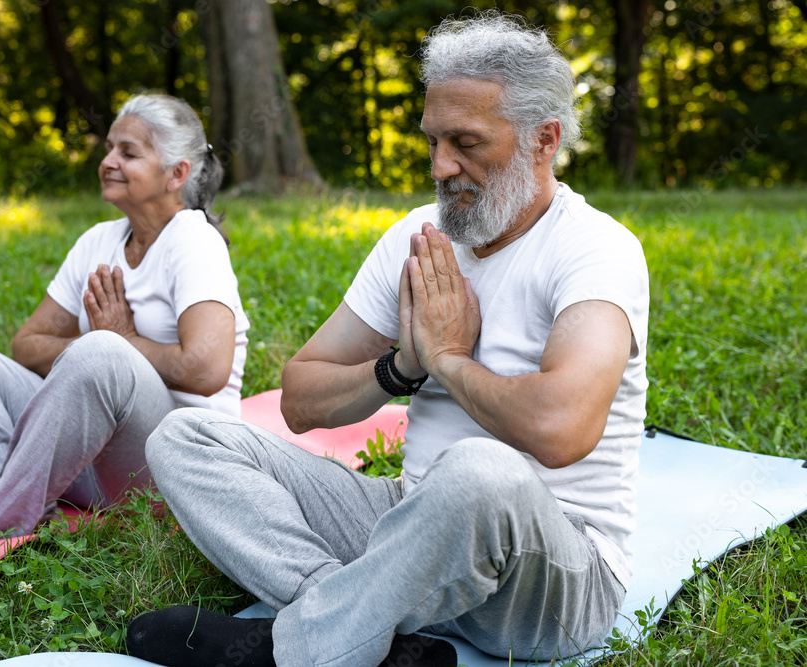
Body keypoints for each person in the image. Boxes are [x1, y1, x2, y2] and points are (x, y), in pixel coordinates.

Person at [126, 11, 648, 667]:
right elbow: (299, 397)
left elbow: (562, 427)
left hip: (552, 576)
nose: (442, 165)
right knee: (185, 437)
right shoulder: (416, 236)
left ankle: (294, 650)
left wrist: (448, 360)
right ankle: (366, 632)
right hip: (408, 522)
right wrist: (401, 366)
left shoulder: (597, 250)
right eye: (433, 140)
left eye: (467, 142)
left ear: (544, 140)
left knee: (479, 471)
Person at [0, 93, 249, 551]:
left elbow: (206, 370)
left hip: (170, 472)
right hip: (85, 466)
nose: (108, 162)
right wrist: (96, 349)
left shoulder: (194, 240)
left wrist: (120, 341)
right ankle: (23, 507)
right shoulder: (98, 240)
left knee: (101, 351)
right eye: (109, 148)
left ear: (176, 174)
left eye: (128, 153)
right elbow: (28, 344)